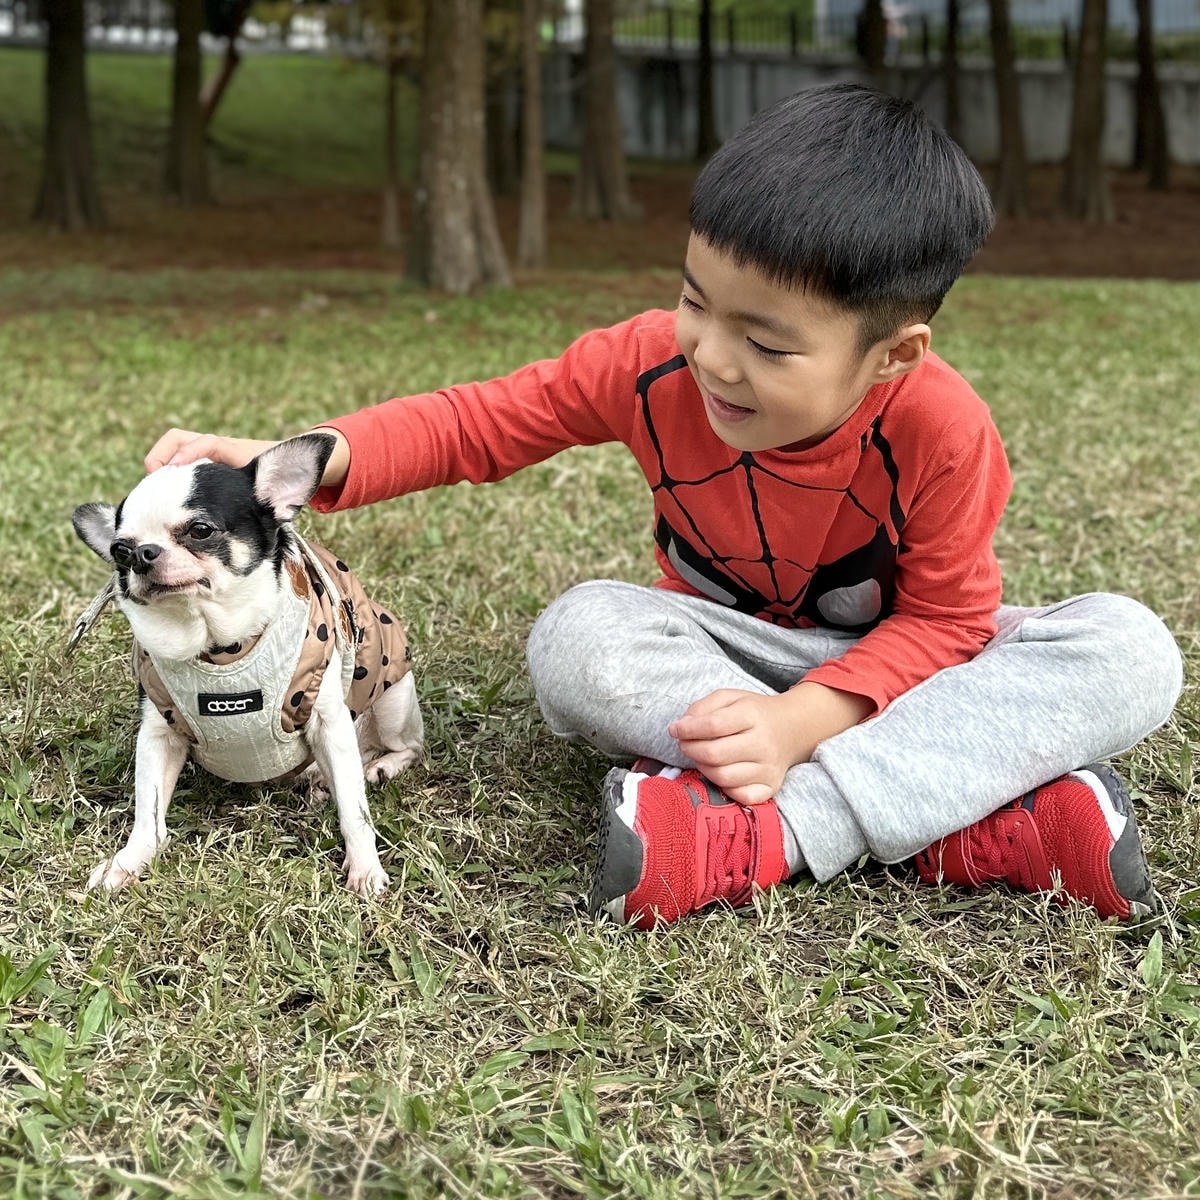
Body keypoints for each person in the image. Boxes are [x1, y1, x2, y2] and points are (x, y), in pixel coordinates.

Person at [147, 84, 1183, 930]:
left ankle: (761, 834)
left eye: (768, 343)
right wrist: (313, 454)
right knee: (577, 636)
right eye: (696, 298)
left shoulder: (941, 426)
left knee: (1131, 650)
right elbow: (484, 421)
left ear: (891, 355)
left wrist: (800, 726)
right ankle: (966, 817)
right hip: (717, 658)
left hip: (902, 675)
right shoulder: (651, 362)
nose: (712, 355)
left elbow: (950, 624)